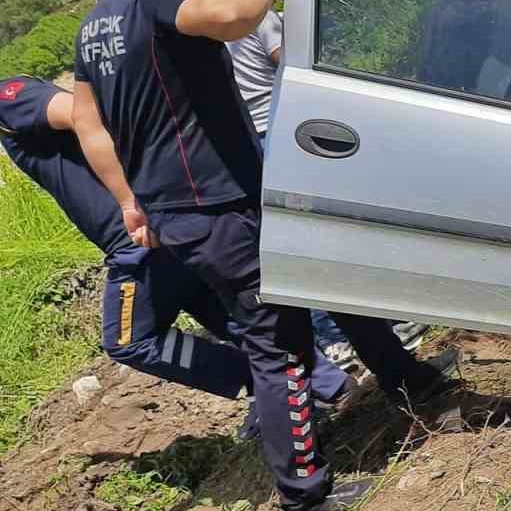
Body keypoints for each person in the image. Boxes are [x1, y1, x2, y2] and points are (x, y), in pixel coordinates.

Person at [69, 0, 454, 511]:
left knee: (325, 278)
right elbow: (225, 15)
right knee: (279, 346)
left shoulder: (95, 25)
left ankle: (407, 379)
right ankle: (306, 502)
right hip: (217, 211)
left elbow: (86, 120)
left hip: (194, 209)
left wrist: (127, 199)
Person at [0, 75, 353, 422]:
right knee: (233, 319)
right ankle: (329, 386)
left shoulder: (8, 97)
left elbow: (83, 113)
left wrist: (130, 200)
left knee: (128, 341)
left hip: (137, 238)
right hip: (158, 224)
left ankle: (268, 382)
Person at [200, 0, 427, 370]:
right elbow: (297, 64)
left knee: (297, 240)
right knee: (339, 226)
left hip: (252, 144)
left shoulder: (211, 26)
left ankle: (335, 339)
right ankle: (389, 320)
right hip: (284, 134)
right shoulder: (261, 20)